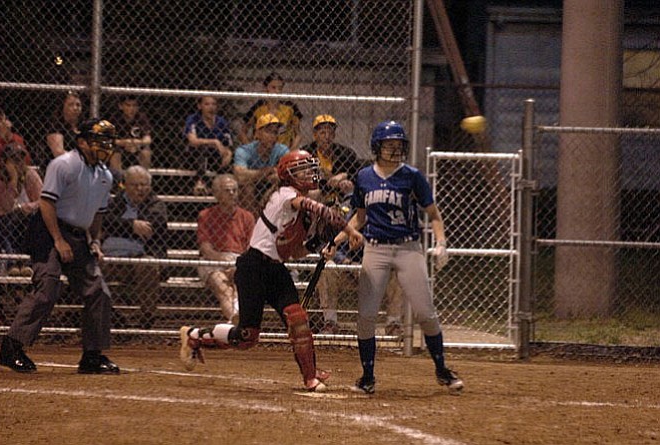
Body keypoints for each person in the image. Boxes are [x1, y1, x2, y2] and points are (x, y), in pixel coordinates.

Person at [180, 150, 358, 392]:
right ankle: (194, 336)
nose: (309, 173)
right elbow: (313, 206)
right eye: (303, 169)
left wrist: (322, 246)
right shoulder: (284, 195)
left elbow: (293, 250)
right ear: (289, 174)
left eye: (309, 168)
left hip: (275, 269)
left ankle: (310, 376)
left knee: (298, 318)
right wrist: (349, 230)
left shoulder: (300, 212)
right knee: (247, 337)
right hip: (253, 267)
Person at [333, 120, 463, 394]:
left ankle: (442, 370)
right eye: (389, 145)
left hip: (407, 248)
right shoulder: (364, 176)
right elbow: (359, 218)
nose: (395, 149)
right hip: (376, 248)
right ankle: (367, 376)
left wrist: (441, 243)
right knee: (366, 316)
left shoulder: (411, 175)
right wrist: (337, 240)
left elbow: (434, 214)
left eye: (398, 145)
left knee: (426, 313)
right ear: (377, 147)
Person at [0, 118, 120, 374]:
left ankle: (92, 356)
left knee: (98, 292)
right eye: (98, 141)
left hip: (77, 234)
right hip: (47, 229)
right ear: (82, 142)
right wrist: (58, 240)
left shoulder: (105, 176)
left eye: (107, 141)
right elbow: (47, 204)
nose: (105, 146)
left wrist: (94, 241)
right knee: (48, 286)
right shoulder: (63, 165)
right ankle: (12, 347)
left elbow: (97, 214)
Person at [101, 165, 167, 328]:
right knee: (90, 267)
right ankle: (108, 315)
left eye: (144, 185)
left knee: (148, 265)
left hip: (138, 258)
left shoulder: (156, 204)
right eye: (135, 185)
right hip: (109, 258)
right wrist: (132, 226)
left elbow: (152, 228)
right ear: (125, 185)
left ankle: (147, 318)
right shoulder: (115, 202)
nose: (140, 189)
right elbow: (104, 220)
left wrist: (118, 227)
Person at [196, 174, 255, 324]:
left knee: (238, 285)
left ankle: (234, 321)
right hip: (213, 260)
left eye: (234, 190)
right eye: (227, 190)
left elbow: (250, 248)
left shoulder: (247, 217)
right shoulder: (206, 215)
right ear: (216, 193)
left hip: (239, 259)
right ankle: (238, 321)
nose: (232, 194)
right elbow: (205, 248)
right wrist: (223, 260)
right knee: (222, 287)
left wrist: (237, 264)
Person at [0, 143, 42, 276]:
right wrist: (13, 180)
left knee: (32, 219)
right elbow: (5, 207)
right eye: (13, 160)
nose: (18, 164)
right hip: (3, 222)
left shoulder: (31, 176)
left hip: (25, 219)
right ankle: (14, 263)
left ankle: (23, 263)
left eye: (20, 160)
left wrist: (28, 207)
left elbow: (43, 201)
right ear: (5, 162)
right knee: (3, 224)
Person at [233, 113, 289, 216]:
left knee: (281, 186)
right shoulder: (244, 150)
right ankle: (251, 221)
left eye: (275, 132)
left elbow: (286, 175)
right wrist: (266, 171)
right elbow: (240, 176)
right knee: (247, 187)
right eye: (268, 131)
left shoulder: (282, 150)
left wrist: (255, 175)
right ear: (257, 133)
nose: (273, 136)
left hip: (271, 186)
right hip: (252, 187)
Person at [239, 72, 303, 150]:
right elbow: (243, 132)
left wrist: (290, 151)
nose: (277, 91)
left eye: (280, 88)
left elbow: (298, 134)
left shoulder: (289, 108)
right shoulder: (258, 107)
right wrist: (251, 150)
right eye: (273, 87)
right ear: (266, 88)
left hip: (283, 151)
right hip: (260, 152)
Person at [184, 95, 234, 195]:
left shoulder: (221, 122)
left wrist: (228, 154)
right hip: (195, 156)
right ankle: (200, 183)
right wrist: (214, 142)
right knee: (202, 150)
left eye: (213, 104)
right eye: (207, 104)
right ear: (199, 106)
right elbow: (192, 140)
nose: (211, 107)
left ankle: (223, 187)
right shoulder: (193, 119)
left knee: (231, 157)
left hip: (215, 156)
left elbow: (227, 145)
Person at [109, 95, 152, 174]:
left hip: (136, 147)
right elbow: (109, 139)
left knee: (146, 152)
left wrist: (136, 142)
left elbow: (148, 139)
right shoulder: (115, 118)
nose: (131, 109)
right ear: (120, 106)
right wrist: (124, 142)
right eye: (128, 105)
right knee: (115, 153)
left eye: (134, 106)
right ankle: (117, 182)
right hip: (120, 147)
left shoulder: (141, 118)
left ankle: (143, 177)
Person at [43, 91, 82, 171]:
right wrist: (82, 160)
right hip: (60, 168)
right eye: (71, 105)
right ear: (63, 107)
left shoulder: (82, 127)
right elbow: (58, 152)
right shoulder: (56, 127)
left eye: (78, 105)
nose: (75, 108)